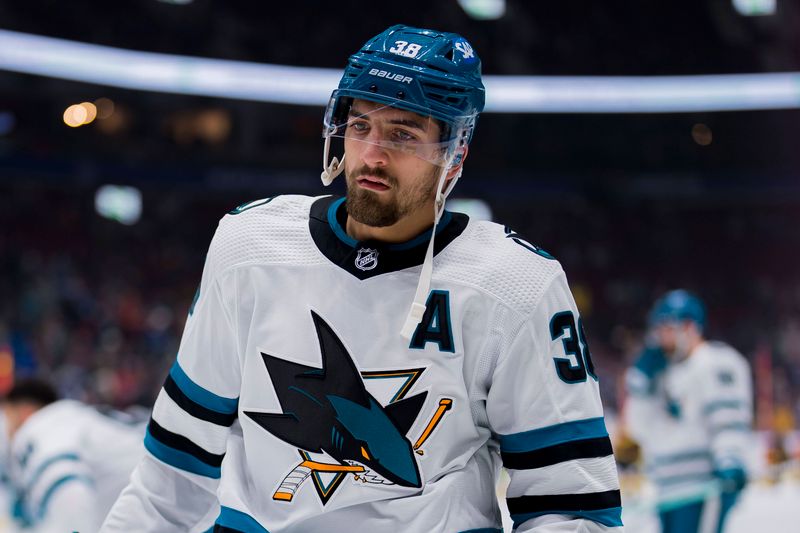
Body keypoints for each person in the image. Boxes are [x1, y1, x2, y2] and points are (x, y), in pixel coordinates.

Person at [102, 25, 622, 532]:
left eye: (403, 134)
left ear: (455, 154)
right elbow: (171, 474)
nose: (373, 154)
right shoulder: (249, 244)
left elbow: (574, 506)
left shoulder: (517, 285)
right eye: (361, 126)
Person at [625, 290, 753, 533]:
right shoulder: (661, 371)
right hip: (667, 490)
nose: (661, 336)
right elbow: (639, 429)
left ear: (689, 327)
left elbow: (728, 421)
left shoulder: (716, 362)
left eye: (667, 327)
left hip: (703, 486)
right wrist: (640, 387)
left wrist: (730, 459)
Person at [1, 378, 148, 532]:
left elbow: (70, 497)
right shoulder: (75, 419)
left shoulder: (42, 427)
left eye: (6, 414)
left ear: (24, 411)